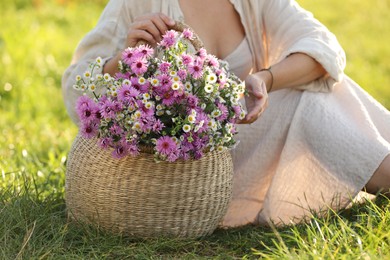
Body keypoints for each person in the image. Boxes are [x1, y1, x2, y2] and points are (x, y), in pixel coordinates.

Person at [62, 0, 390, 227]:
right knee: (309, 99)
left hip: (249, 144)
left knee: (317, 87)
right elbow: (74, 86)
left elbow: (325, 48)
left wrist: (265, 78)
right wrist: (125, 58)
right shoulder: (135, 3)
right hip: (187, 174)